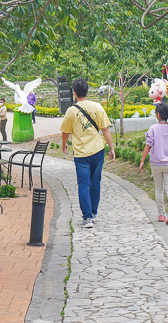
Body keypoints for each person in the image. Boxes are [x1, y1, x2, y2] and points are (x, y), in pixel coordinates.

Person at [61, 78, 116, 228]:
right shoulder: (97, 106)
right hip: (98, 150)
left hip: (81, 154)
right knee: (95, 182)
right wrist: (111, 148)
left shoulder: (71, 111)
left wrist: (64, 143)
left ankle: (87, 218)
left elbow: (65, 131)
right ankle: (93, 212)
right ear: (87, 91)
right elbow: (105, 129)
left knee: (83, 184)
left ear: (74, 93)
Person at [139, 102, 168, 224]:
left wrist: (142, 161)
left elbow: (148, 145)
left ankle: (161, 214)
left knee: (159, 188)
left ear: (158, 115)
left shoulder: (153, 128)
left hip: (156, 163)